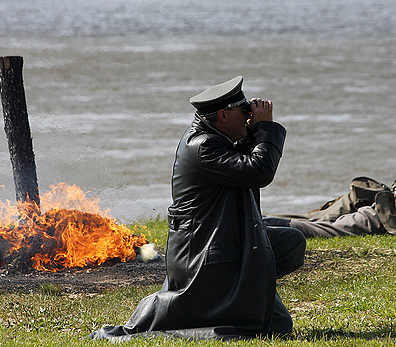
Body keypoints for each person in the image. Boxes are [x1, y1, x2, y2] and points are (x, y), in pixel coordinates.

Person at [89, 76, 306, 341]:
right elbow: (258, 171)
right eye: (244, 112)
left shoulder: (216, 137)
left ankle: (245, 292)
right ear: (223, 115)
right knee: (276, 327)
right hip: (204, 252)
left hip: (220, 238)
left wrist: (253, 130)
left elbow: (244, 162)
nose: (249, 116)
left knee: (292, 241)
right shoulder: (203, 146)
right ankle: (230, 301)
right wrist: (265, 128)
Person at [264, 170, 396, 238]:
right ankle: (258, 222)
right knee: (314, 220)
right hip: (377, 204)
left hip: (383, 218)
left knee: (320, 229)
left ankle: (259, 225)